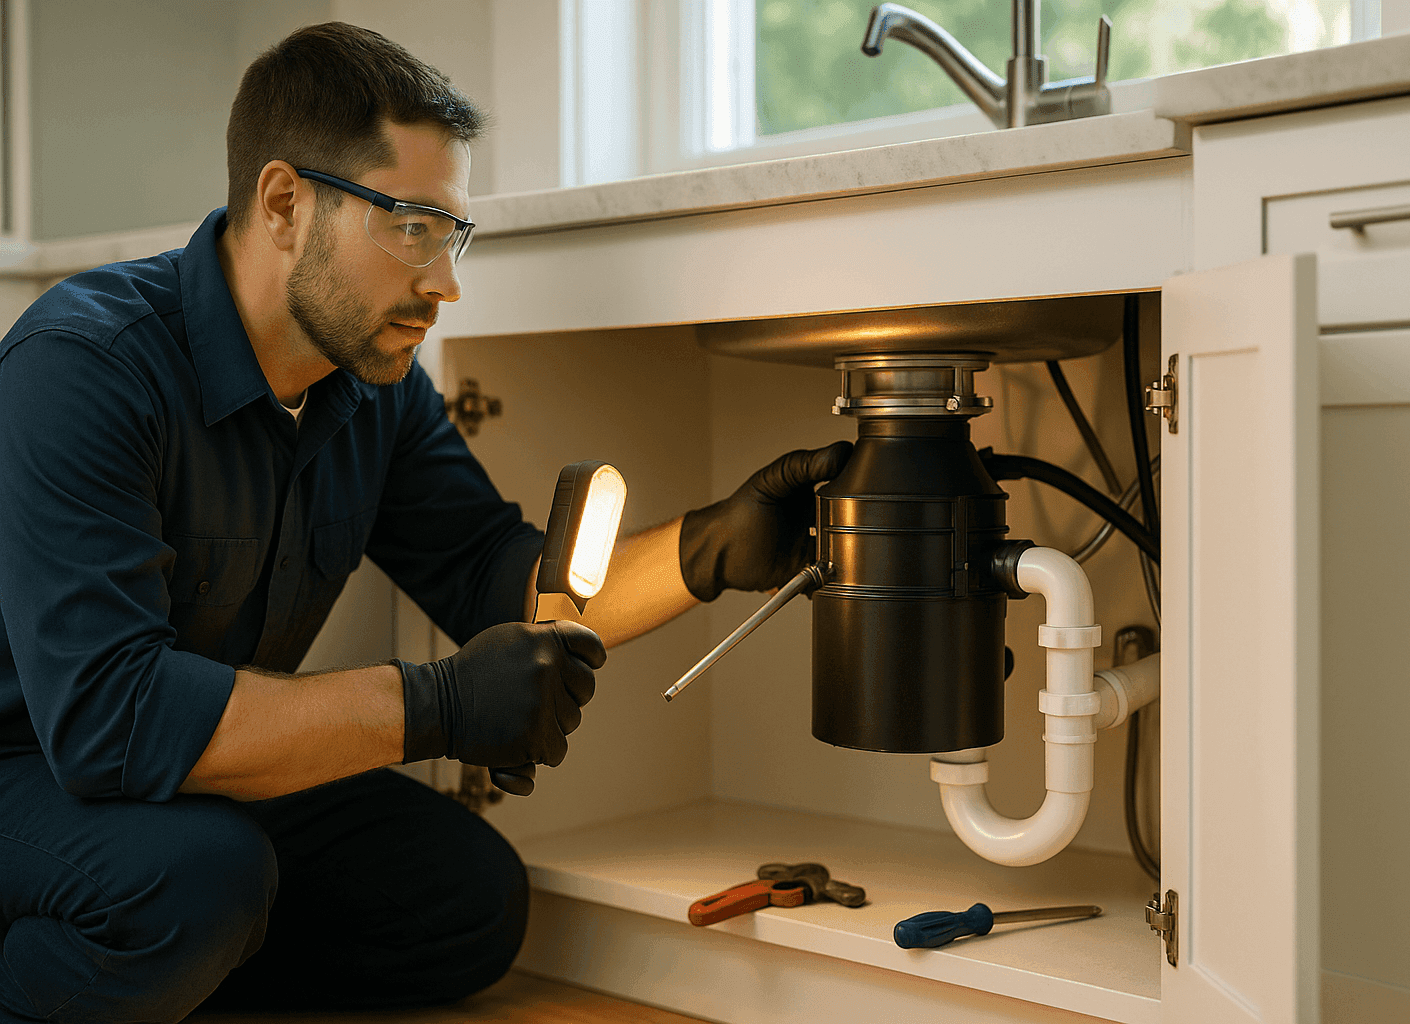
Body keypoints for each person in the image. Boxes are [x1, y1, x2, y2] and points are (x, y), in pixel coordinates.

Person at [0, 22, 850, 1024]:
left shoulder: (369, 388)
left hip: (202, 770)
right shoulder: (86, 366)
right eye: (411, 226)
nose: (445, 282)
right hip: (32, 767)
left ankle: (170, 981)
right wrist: (435, 706)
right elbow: (113, 720)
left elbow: (494, 575)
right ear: (284, 203)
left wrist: (707, 548)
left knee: (467, 900)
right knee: (194, 881)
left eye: (451, 235)